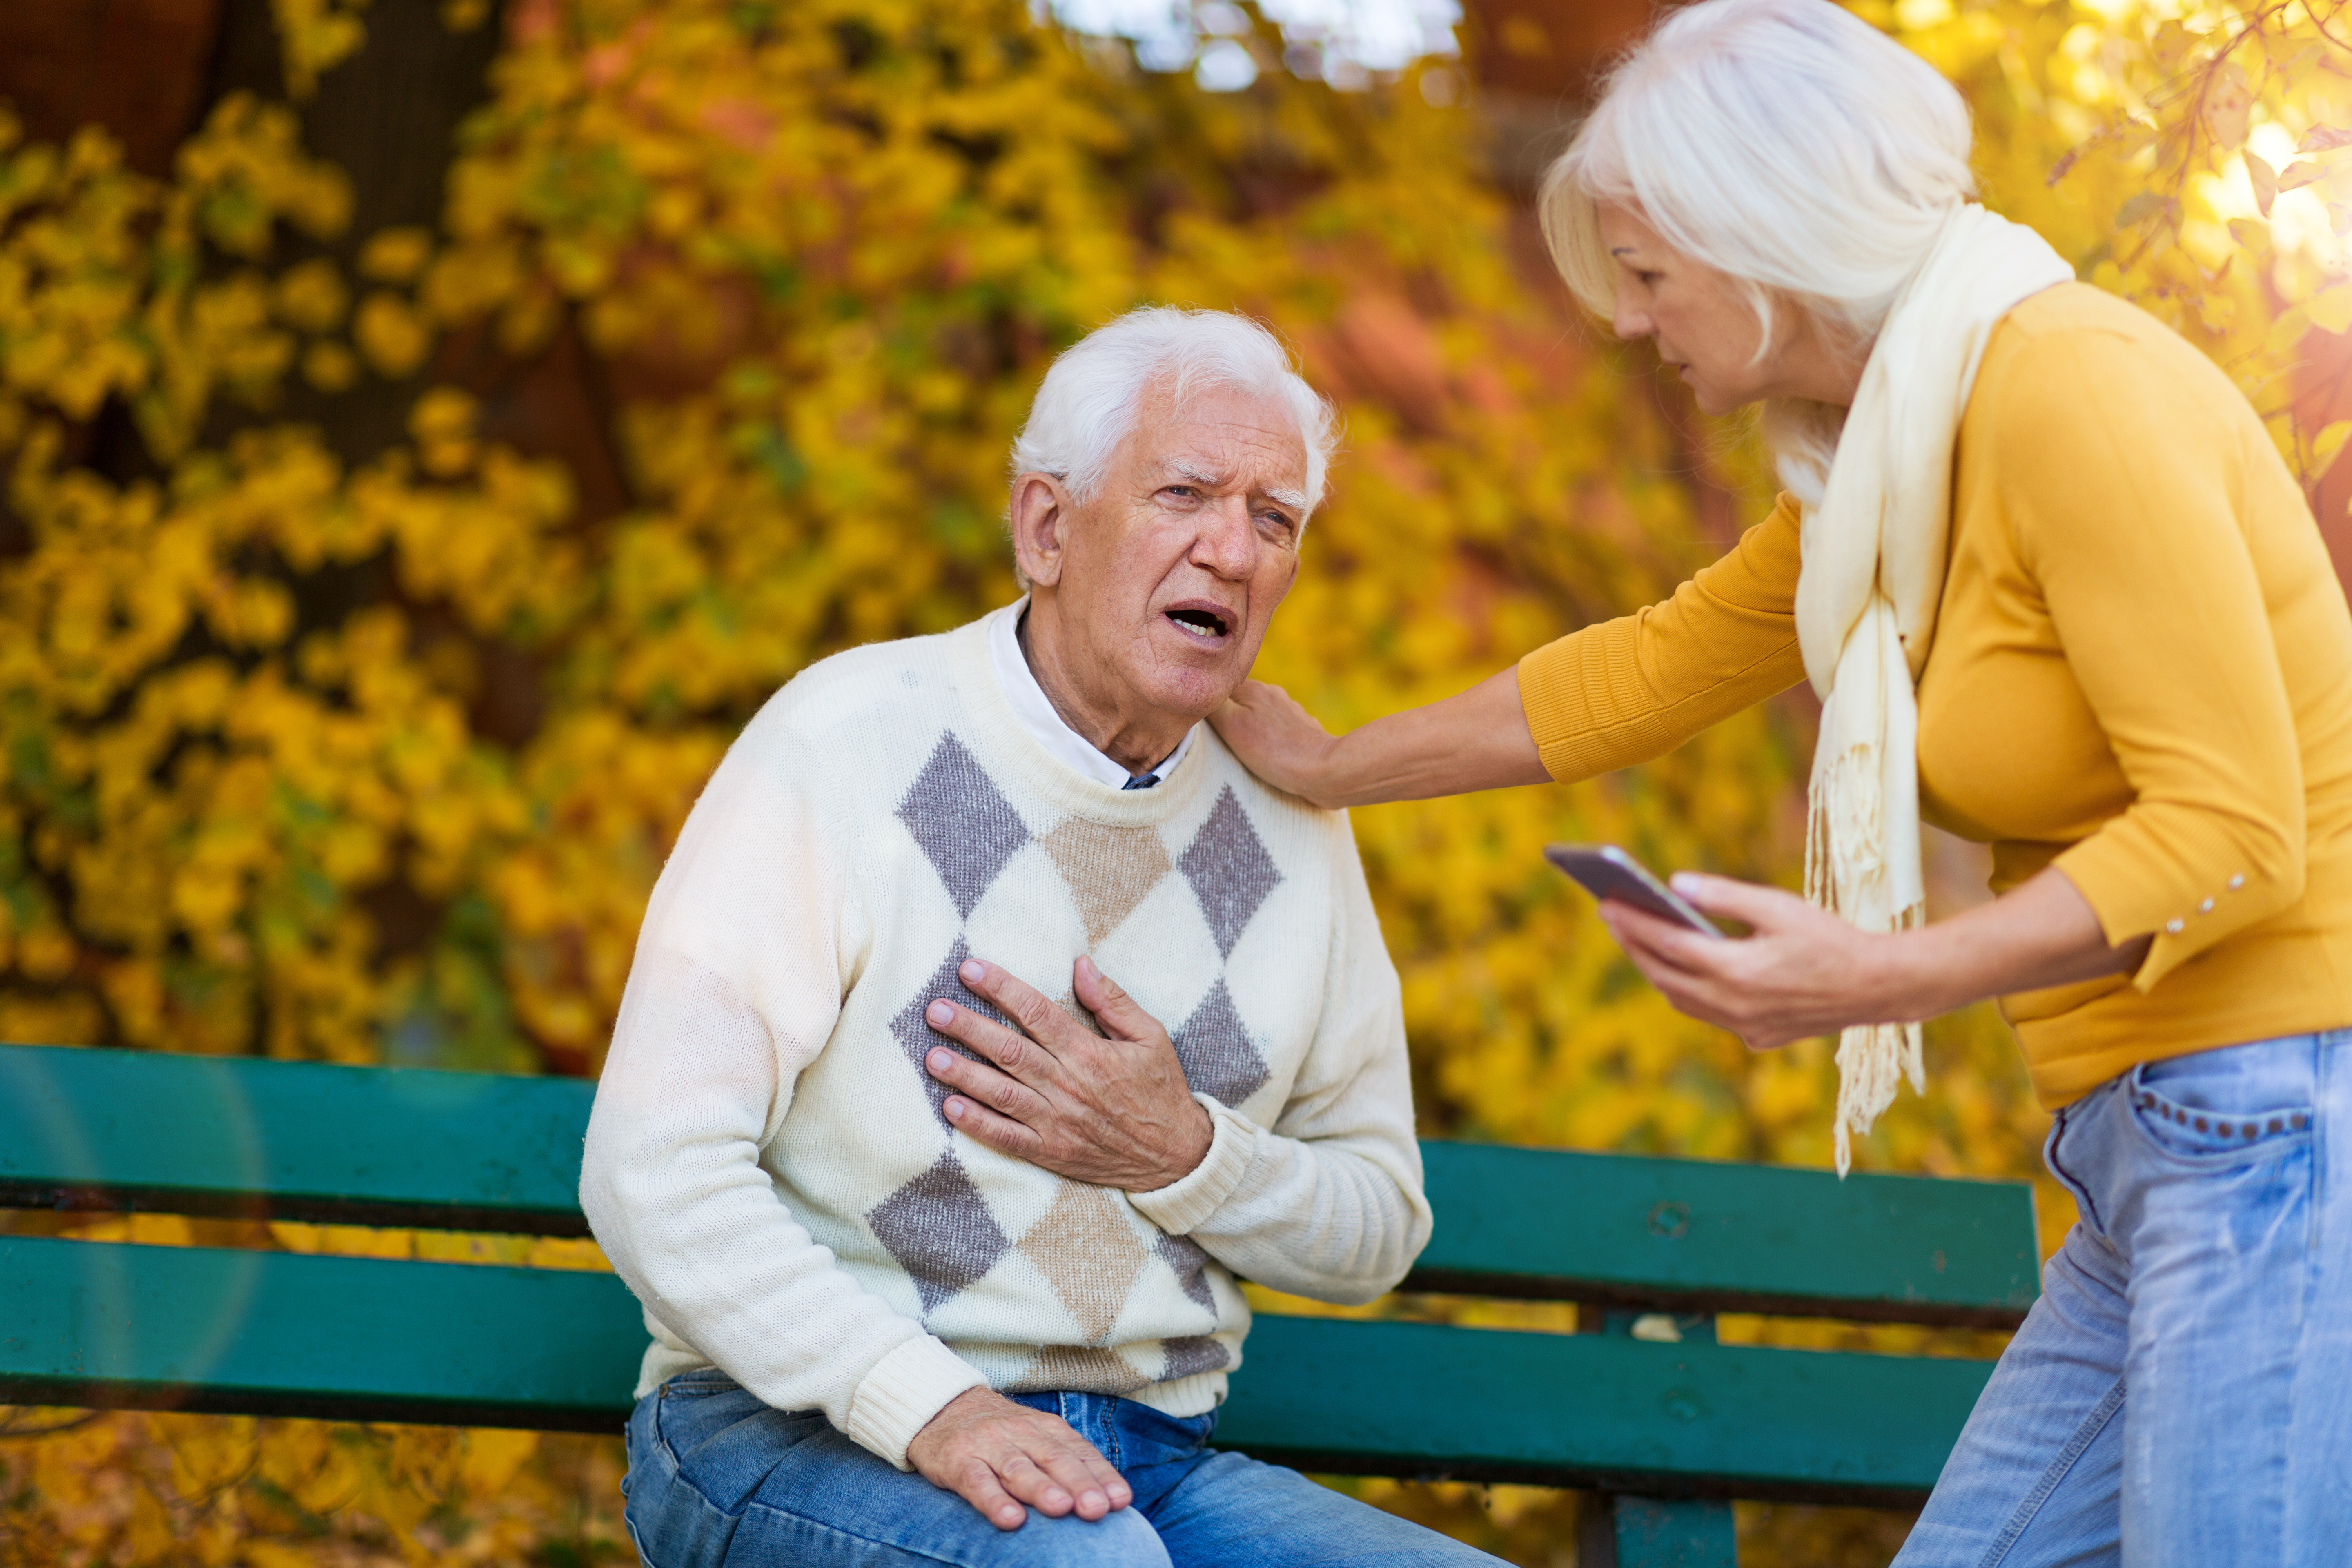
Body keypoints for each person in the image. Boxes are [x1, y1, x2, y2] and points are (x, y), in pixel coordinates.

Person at [1207, 2, 2352, 1564]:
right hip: (2149, 1144)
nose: (1624, 320)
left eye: (1650, 273)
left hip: (2282, 1117)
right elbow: (1651, 670)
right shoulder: (1886, 472)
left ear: (1767, 246)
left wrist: (1886, 975)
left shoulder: (2072, 391)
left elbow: (2239, 835)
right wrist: (1327, 760)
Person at [580, 306, 1503, 1568]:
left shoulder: (1292, 825)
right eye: (1184, 493)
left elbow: (1378, 1223)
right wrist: (933, 1409)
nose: (1231, 549)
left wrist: (1188, 1155)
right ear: (1047, 528)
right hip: (785, 1429)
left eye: (1275, 518)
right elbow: (653, 1167)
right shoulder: (847, 742)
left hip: (1152, 1459)